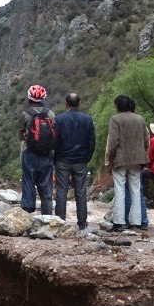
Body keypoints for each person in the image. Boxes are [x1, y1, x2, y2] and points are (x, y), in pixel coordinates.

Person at [105, 94, 149, 231]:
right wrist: (143, 154)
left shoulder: (115, 119)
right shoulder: (140, 119)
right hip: (137, 160)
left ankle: (119, 222)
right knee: (136, 190)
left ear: (117, 106)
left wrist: (109, 160)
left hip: (120, 159)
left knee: (119, 190)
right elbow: (146, 140)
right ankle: (135, 222)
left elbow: (113, 142)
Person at [53, 92, 96, 230]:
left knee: (61, 191)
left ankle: (60, 222)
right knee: (80, 191)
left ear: (66, 103)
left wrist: (56, 157)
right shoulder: (87, 119)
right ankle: (82, 223)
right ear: (79, 103)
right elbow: (91, 141)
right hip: (80, 160)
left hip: (62, 160)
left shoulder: (59, 119)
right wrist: (87, 157)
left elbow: (55, 140)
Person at [20, 84, 56, 215]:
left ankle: (27, 213)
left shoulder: (25, 114)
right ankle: (47, 216)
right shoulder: (51, 114)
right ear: (43, 98)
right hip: (47, 155)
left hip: (30, 154)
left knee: (28, 182)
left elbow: (21, 134)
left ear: (29, 98)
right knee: (46, 185)